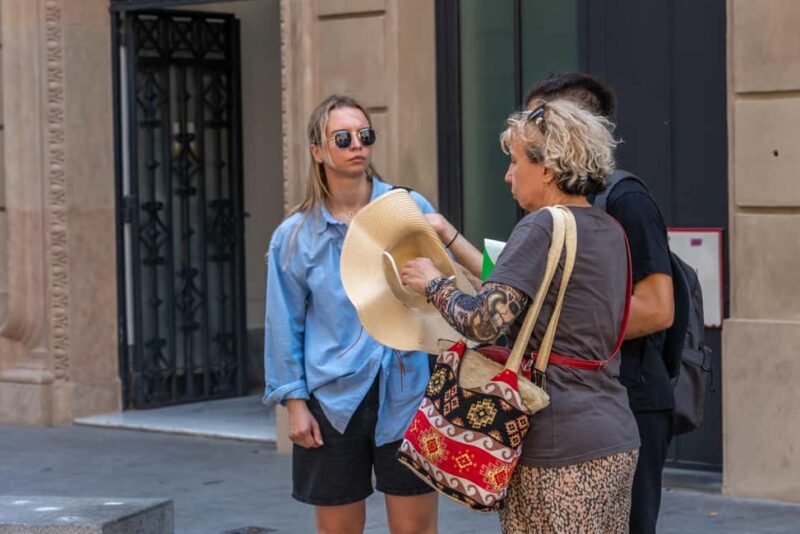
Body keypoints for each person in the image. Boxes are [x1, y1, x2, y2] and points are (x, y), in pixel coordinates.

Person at [401, 99, 640, 533]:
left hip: (556, 443)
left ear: (546, 168)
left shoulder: (541, 226)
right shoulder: (610, 229)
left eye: (514, 162)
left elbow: (483, 322)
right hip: (614, 435)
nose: (508, 175)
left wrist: (433, 283)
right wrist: (452, 241)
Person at [263, 94, 437, 534]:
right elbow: (284, 325)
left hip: (408, 390)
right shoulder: (295, 236)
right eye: (342, 138)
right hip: (333, 398)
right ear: (317, 152)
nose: (357, 144)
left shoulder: (408, 208)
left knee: (415, 530)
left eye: (365, 135)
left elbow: (448, 285)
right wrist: (295, 405)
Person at [526, 74, 676, 534]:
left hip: (631, 396)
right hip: (589, 401)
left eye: (536, 120)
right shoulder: (564, 204)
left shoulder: (626, 200)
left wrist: (563, 329)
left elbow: (658, 308)